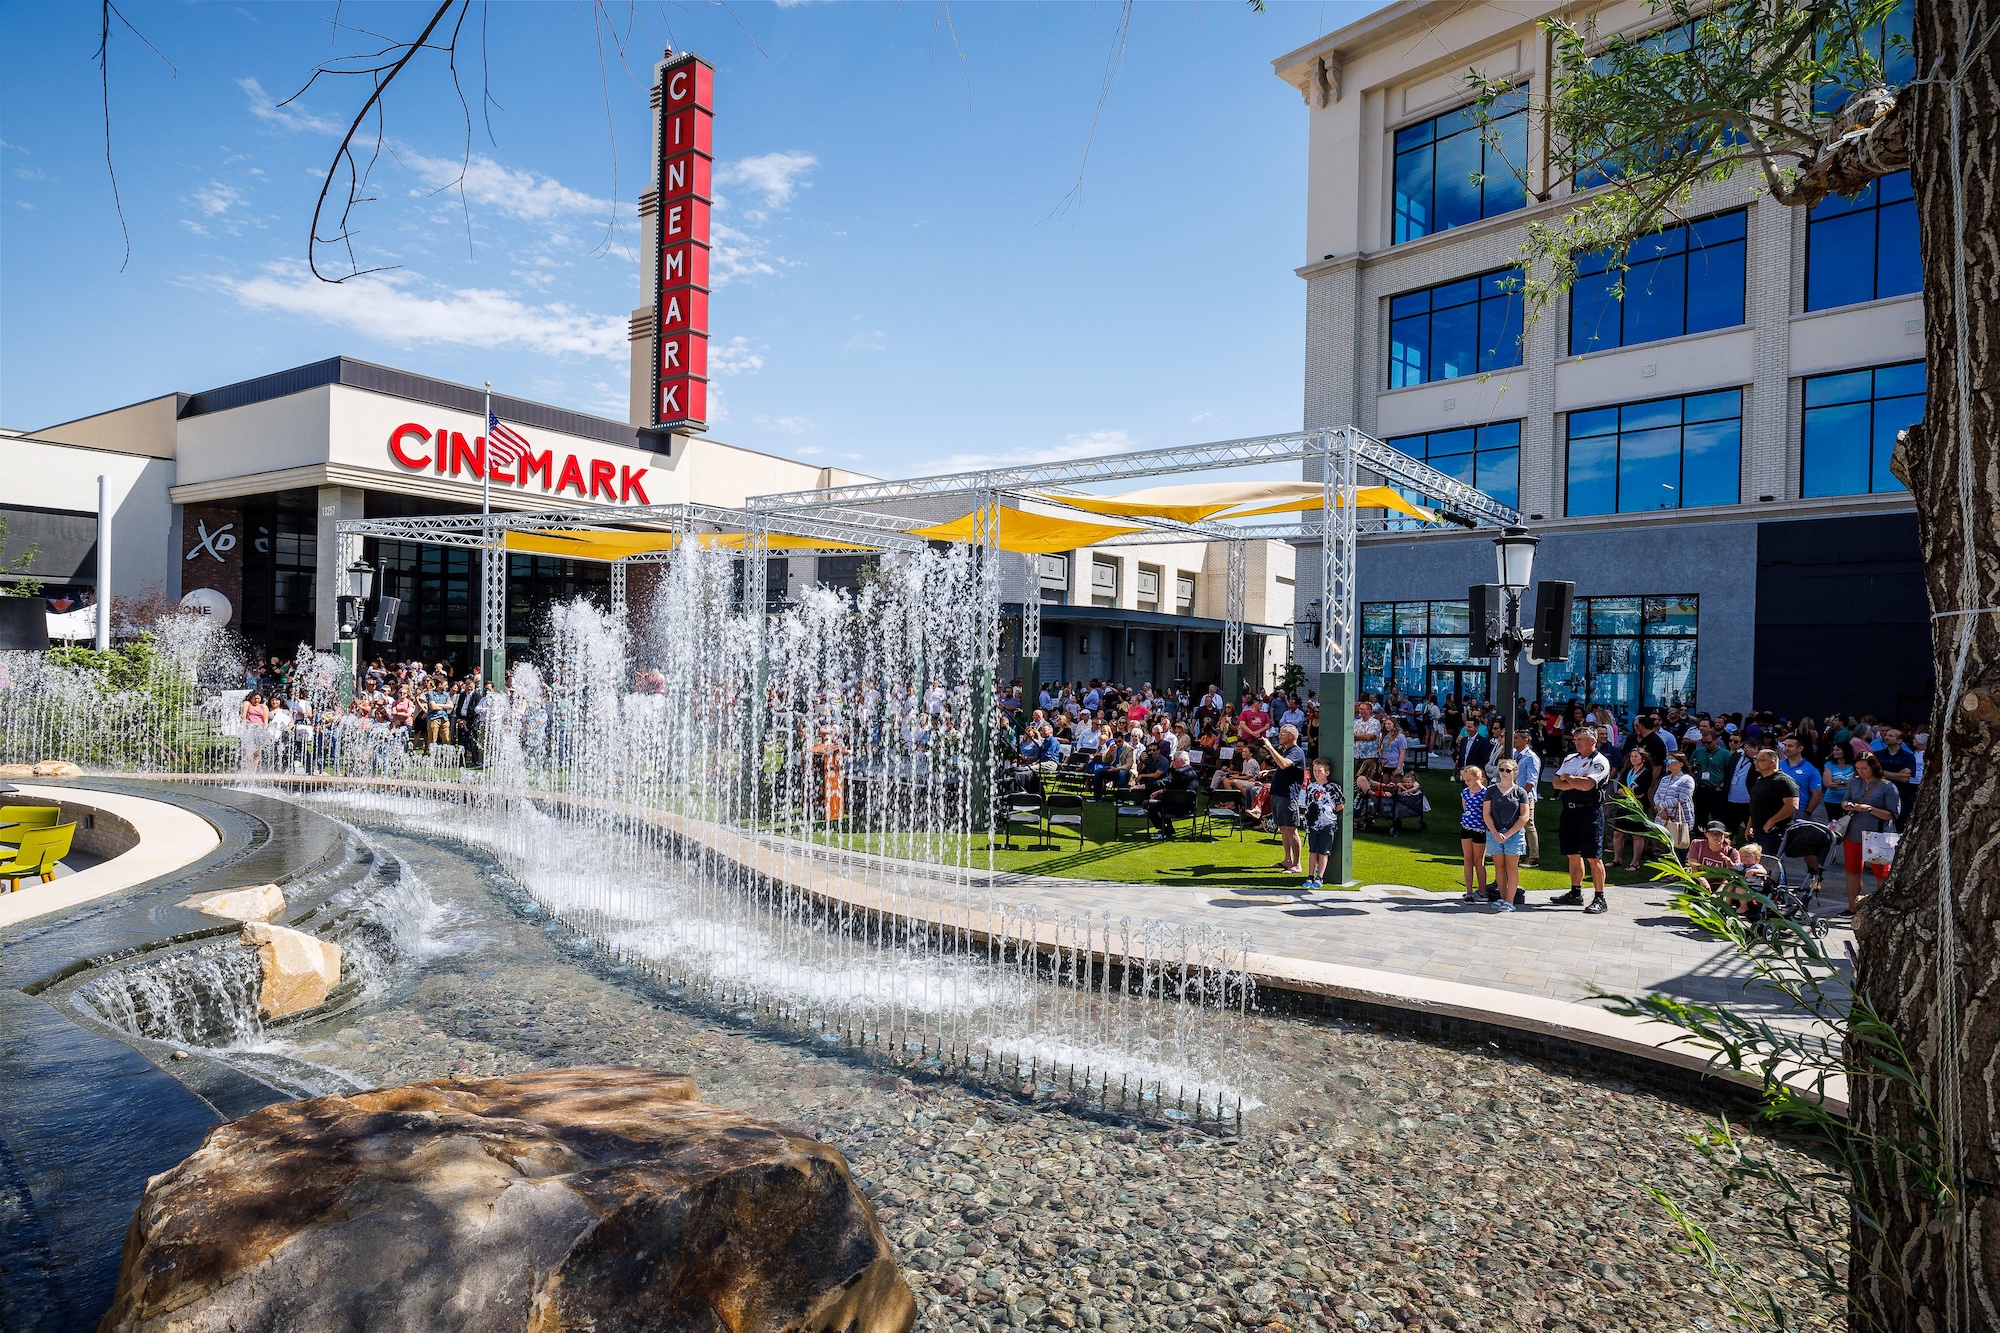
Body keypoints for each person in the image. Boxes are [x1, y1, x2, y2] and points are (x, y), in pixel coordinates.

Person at [1549, 727, 1613, 914]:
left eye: (1581, 740)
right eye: (1575, 739)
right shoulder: (1570, 759)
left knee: (1593, 856)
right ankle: (1575, 893)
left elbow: (1587, 786)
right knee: (1572, 853)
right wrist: (1574, 781)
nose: (1576, 743)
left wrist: (1568, 778)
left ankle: (1600, 898)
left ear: (1592, 741)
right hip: (1569, 812)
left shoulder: (1600, 762)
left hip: (1589, 813)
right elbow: (1555, 783)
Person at [1838, 751, 1900, 911]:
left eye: (1864, 768)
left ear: (1873, 767)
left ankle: (1882, 908)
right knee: (1852, 870)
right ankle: (1852, 907)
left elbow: (1893, 814)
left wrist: (1869, 809)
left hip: (1877, 833)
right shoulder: (1854, 782)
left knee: (1881, 873)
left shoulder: (1887, 786)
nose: (1861, 771)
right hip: (1854, 831)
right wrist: (1846, 804)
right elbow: (1846, 798)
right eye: (1858, 768)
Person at [1257, 725, 1308, 874]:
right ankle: (1287, 860)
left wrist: (1270, 747)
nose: (1280, 736)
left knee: (1291, 830)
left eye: (1283, 734)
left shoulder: (1296, 751)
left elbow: (1285, 764)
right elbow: (1284, 767)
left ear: (1292, 736)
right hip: (1278, 794)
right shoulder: (1288, 751)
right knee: (1283, 829)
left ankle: (1297, 864)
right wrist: (1271, 771)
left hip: (1288, 795)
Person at [1481, 758, 1530, 912]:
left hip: (1513, 835)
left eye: (1508, 770)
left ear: (1515, 772)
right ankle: (1502, 898)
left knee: (1511, 868)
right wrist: (1495, 832)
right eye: (1501, 770)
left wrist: (1508, 834)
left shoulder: (1520, 792)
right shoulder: (1491, 790)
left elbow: (1525, 816)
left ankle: (1510, 900)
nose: (1504, 773)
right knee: (1499, 868)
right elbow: (1486, 813)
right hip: (1494, 834)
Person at [1300, 758, 1346, 892]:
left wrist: (1328, 813)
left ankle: (1319, 877)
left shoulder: (1333, 788)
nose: (1316, 773)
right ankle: (1309, 876)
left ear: (1327, 772)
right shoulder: (1310, 787)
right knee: (1312, 850)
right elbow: (1308, 803)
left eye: (1319, 771)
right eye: (1314, 770)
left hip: (1327, 822)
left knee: (1323, 851)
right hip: (1313, 824)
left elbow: (1340, 804)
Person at [1611, 744, 1658, 871]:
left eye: (1636, 756)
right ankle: (1617, 859)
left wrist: (1630, 791)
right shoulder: (1628, 771)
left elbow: (1641, 791)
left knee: (1636, 835)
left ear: (1643, 758)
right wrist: (1629, 791)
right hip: (1624, 805)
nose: (1633, 758)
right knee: (1617, 833)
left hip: (1638, 807)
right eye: (1631, 756)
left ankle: (1635, 863)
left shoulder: (1646, 773)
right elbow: (1621, 787)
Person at [1746, 748, 1800, 856]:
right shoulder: (1760, 779)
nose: (1755, 763)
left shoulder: (1783, 781)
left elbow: (1792, 805)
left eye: (1760, 760)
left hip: (1774, 832)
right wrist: (1749, 826)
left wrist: (1771, 821)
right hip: (1758, 830)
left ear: (1772, 762)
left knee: (1771, 864)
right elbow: (1756, 804)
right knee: (1757, 863)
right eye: (1755, 759)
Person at [1652, 752, 1697, 864]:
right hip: (1664, 817)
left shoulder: (1687, 779)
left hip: (1680, 818)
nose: (1668, 764)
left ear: (1681, 763)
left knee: (1679, 846)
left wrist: (1661, 806)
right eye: (1666, 761)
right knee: (1667, 846)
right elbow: (1657, 795)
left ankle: (1680, 872)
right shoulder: (1665, 779)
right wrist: (1661, 810)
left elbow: (1682, 798)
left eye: (1671, 761)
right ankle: (1670, 872)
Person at [1456, 765, 1492, 902]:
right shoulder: (1465, 792)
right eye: (1465, 780)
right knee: (1467, 858)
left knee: (1479, 860)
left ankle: (1483, 891)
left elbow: (1487, 812)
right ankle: (1469, 891)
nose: (1467, 783)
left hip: (1480, 829)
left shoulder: (1486, 793)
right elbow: (1465, 807)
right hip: (1466, 827)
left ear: (1477, 777)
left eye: (1469, 780)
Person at [1145, 751, 1199, 838]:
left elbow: (1164, 782)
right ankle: (1168, 828)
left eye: (1174, 760)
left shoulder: (1179, 773)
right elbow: (1177, 787)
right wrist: (1161, 791)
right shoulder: (1193, 772)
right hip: (1190, 806)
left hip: (1178, 807)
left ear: (1180, 761)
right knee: (1159, 799)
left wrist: (1144, 786)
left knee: (1147, 804)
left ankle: (1164, 828)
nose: (1172, 762)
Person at [1509, 730, 1543, 868]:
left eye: (1516, 738)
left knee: (1528, 825)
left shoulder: (1531, 757)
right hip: (1513, 795)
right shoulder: (1514, 754)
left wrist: (1522, 797)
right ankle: (1514, 853)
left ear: (1525, 740)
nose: (1514, 740)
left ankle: (1533, 856)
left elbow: (1531, 780)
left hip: (1525, 797)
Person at [1873, 728, 1918, 828]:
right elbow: (1874, 773)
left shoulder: (1908, 757)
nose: (1886, 737)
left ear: (1899, 740)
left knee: (1901, 826)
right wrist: (1897, 774)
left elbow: (1904, 778)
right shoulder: (1877, 755)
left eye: (1891, 736)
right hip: (1880, 795)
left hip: (1901, 794)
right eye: (1886, 735)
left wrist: (1883, 772)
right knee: (1877, 826)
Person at [1721, 734, 1756, 835]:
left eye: (1751, 747)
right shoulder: (1736, 756)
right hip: (1731, 796)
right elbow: (1728, 772)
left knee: (1749, 825)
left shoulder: (1758, 760)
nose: (1747, 750)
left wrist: (1754, 756)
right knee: (1730, 824)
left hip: (1747, 799)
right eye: (1747, 747)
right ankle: (1732, 840)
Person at [1353, 701, 1382, 777]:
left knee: (1369, 778)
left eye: (1363, 709)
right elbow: (1351, 736)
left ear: (1369, 710)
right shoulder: (1356, 722)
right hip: (1357, 755)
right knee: (1357, 778)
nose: (1360, 711)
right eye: (1360, 709)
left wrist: (1357, 736)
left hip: (1370, 756)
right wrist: (1363, 736)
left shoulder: (1375, 722)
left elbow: (1370, 736)